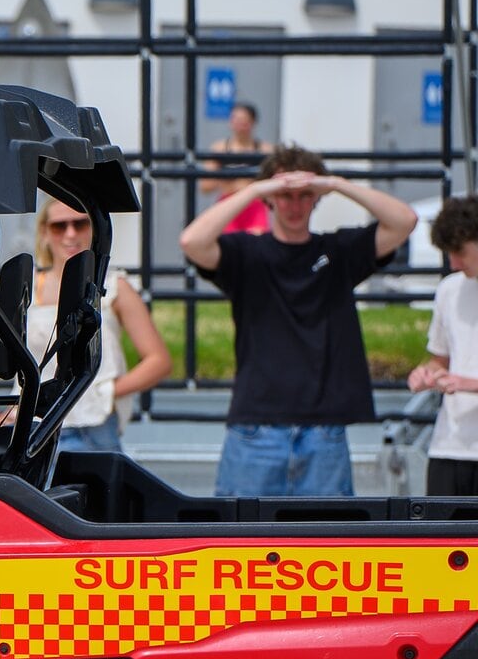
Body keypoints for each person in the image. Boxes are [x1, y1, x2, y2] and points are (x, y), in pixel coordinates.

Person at [181, 144, 416, 497]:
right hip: (255, 430)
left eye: (305, 195)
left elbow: (404, 221)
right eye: (285, 195)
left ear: (317, 198)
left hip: (324, 432)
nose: (295, 205)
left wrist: (336, 184)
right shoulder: (246, 252)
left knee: (328, 544)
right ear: (271, 199)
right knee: (240, 543)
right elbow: (192, 241)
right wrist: (258, 188)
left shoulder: (338, 251)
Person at [0, 196, 171, 451]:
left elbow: (159, 360)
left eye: (81, 224)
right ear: (44, 232)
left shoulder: (114, 285)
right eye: (59, 226)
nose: (70, 234)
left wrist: (105, 391)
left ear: (93, 230)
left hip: (92, 427)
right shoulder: (25, 288)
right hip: (32, 426)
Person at [406, 194, 478, 495]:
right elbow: (441, 359)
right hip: (449, 446)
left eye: (459, 251)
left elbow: (462, 375)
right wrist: (425, 374)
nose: (453, 262)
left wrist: (468, 383)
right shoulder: (449, 289)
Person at [201, 103, 275, 237]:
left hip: (254, 207)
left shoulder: (265, 150)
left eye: (244, 121)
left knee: (257, 245)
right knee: (229, 247)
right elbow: (205, 186)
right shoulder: (220, 149)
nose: (240, 125)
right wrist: (228, 179)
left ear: (253, 122)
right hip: (228, 205)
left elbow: (274, 183)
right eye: (235, 120)